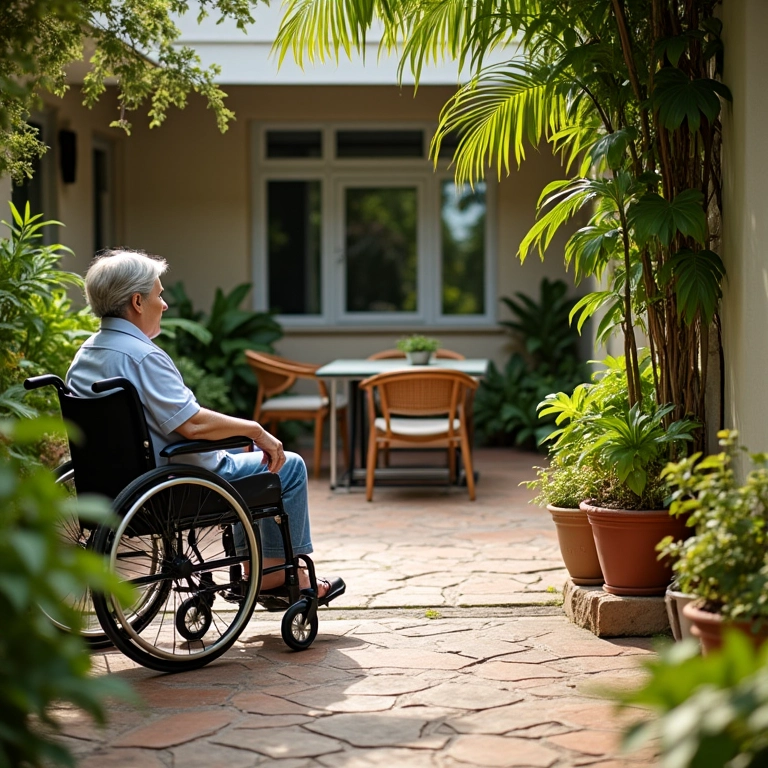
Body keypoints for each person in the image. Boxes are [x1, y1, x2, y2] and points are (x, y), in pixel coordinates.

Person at [66, 249, 345, 605]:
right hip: (173, 487)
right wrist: (256, 430)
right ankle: (275, 575)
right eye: (159, 294)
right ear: (137, 302)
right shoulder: (143, 356)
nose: (164, 304)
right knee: (288, 466)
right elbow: (193, 424)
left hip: (118, 486)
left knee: (236, 454)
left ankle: (254, 567)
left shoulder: (86, 355)